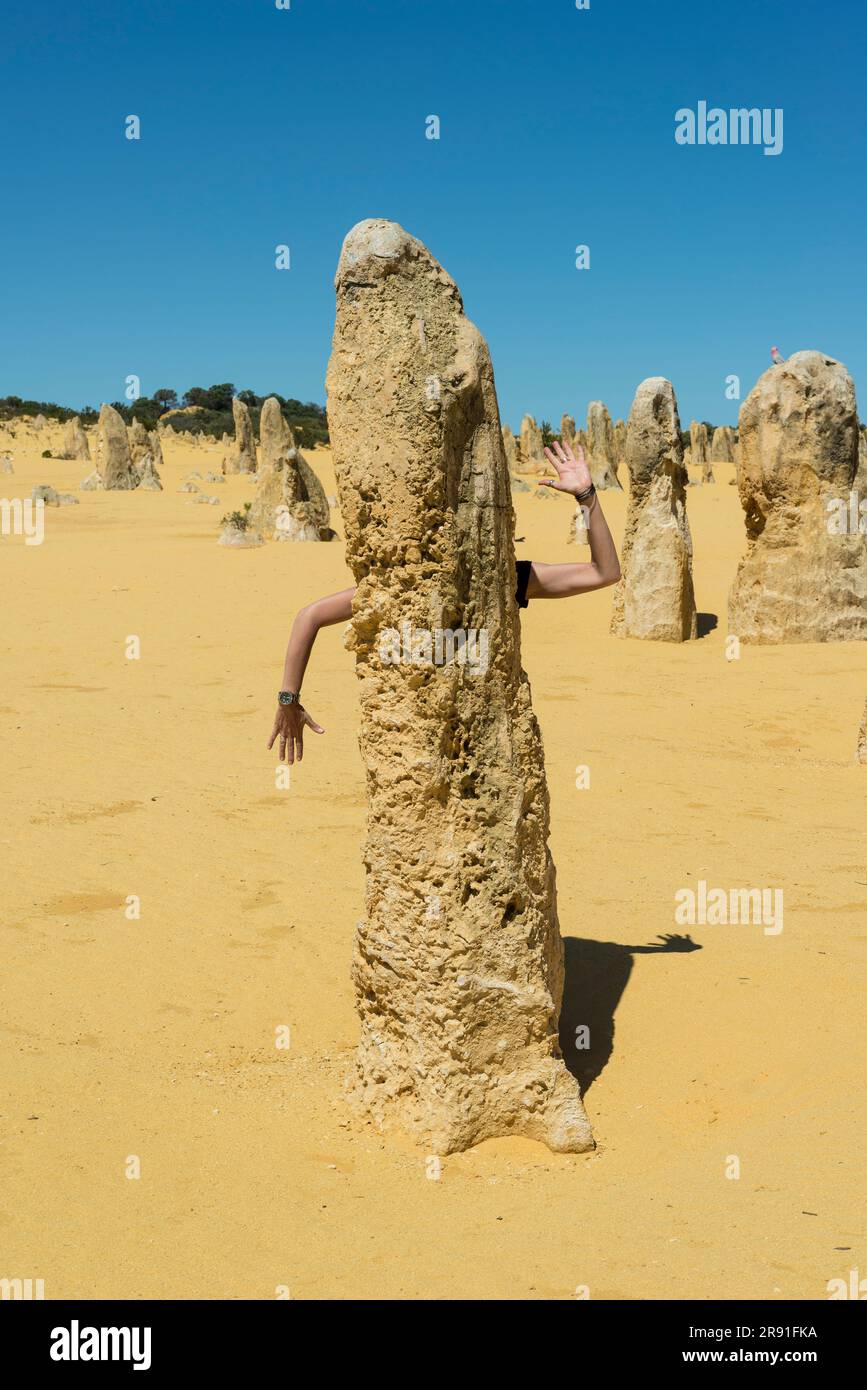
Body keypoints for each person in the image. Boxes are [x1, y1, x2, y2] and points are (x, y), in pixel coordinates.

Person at [267, 439, 620, 764]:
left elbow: (603, 572)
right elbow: (308, 617)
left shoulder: (501, 581)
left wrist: (586, 497)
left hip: (483, 756)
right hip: (412, 757)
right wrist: (288, 700)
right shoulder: (405, 587)